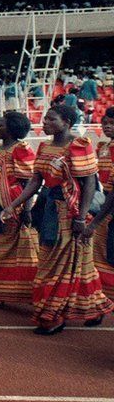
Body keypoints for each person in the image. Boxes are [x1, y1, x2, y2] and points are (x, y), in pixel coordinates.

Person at [2, 104, 113, 334]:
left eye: (51, 119)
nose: (45, 123)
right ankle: (94, 307)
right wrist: (14, 204)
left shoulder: (80, 145)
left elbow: (90, 183)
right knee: (54, 262)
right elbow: (36, 181)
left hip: (70, 211)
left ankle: (55, 315)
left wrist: (82, 218)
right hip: (48, 209)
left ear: (67, 123)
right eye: (45, 118)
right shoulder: (44, 146)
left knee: (67, 264)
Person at [0, 111, 38, 307]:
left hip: (12, 206)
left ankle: (16, 293)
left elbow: (29, 180)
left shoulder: (21, 149)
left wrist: (27, 209)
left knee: (11, 251)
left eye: (0, 125)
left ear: (11, 129)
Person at [83, 107, 114, 297]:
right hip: (104, 203)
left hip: (110, 204)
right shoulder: (103, 147)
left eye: (112, 124)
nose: (108, 127)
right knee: (101, 252)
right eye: (105, 124)